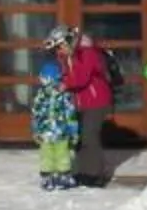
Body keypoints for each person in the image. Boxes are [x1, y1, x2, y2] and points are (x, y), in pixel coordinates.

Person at [63, 26, 114, 183]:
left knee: (89, 138)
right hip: (85, 102)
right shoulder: (77, 55)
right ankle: (84, 171)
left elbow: (81, 78)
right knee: (83, 138)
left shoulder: (88, 53)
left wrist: (64, 84)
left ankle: (94, 174)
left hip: (96, 102)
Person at [28, 56, 77, 192]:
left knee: (51, 154)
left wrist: (35, 129)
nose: (41, 80)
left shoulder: (43, 95)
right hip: (58, 132)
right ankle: (58, 176)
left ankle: (53, 176)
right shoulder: (60, 95)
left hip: (50, 132)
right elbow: (70, 114)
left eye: (42, 77)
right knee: (59, 154)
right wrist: (73, 130)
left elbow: (36, 115)